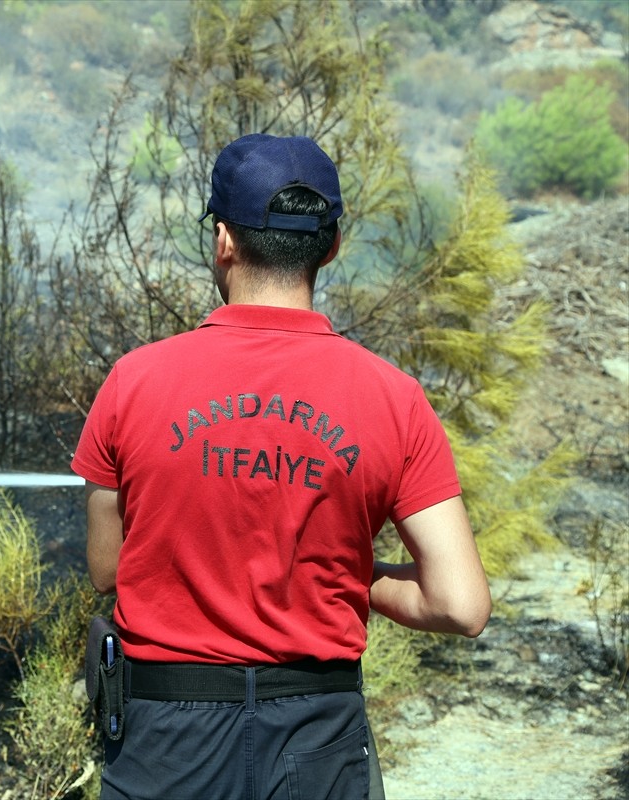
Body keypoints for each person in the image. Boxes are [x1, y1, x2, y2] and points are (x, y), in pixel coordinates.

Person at [71, 133, 491, 800]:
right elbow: (461, 605)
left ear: (223, 241)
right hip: (317, 740)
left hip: (165, 744)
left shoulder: (133, 382)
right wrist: (358, 579)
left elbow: (108, 569)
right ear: (330, 247)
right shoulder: (396, 400)